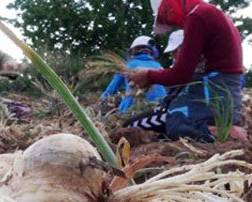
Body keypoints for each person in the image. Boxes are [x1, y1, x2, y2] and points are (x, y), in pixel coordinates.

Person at [128, 0, 244, 142]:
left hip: (214, 94)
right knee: (137, 125)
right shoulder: (212, 13)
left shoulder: (197, 16)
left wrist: (148, 75)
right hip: (224, 95)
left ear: (170, 6)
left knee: (176, 124)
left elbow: (180, 75)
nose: (172, 24)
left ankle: (229, 132)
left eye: (166, 17)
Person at [100, 36, 167, 114]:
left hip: (134, 110)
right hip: (162, 108)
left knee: (121, 111)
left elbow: (111, 90)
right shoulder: (159, 67)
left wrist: (100, 102)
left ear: (134, 51)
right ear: (151, 52)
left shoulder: (126, 66)